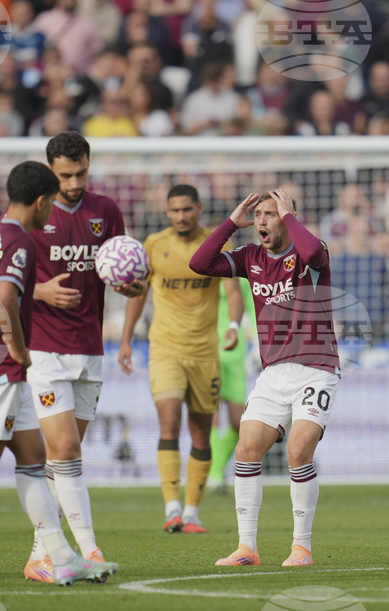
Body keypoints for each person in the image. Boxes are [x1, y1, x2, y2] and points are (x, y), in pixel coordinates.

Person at [0, 161, 117, 588]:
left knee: (35, 461)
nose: (52, 210)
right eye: (50, 201)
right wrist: (16, 347)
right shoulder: (20, 242)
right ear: (40, 200)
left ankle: (61, 558)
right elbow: (4, 298)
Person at [190, 190, 340, 568]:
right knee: (246, 450)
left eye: (269, 214)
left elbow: (312, 253)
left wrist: (290, 218)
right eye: (257, 214)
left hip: (316, 368)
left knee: (297, 452)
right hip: (273, 373)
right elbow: (200, 263)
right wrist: (229, 223)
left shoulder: (311, 253)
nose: (261, 222)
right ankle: (247, 548)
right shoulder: (249, 257)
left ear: (287, 217)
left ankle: (301, 548)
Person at [23, 133, 146, 583]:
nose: (74, 183)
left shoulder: (106, 211)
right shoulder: (34, 212)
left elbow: (128, 273)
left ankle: (41, 555)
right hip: (44, 349)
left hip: (90, 349)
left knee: (63, 462)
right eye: (65, 175)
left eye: (81, 173)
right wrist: (40, 290)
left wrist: (130, 287)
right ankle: (90, 551)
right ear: (51, 170)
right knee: (66, 449)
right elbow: (1, 278)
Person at [118, 184, 243, 533]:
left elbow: (233, 292)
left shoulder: (218, 245)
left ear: (198, 208)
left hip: (205, 352)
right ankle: (172, 508)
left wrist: (233, 325)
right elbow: (138, 294)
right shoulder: (154, 245)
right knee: (169, 421)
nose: (181, 216)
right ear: (167, 211)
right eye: (174, 210)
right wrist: (126, 340)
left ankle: (191, 512)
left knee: (201, 434)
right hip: (165, 348)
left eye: (187, 209)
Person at [208, 277, 256, 493]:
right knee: (211, 415)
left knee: (240, 423)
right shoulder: (203, 272)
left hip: (236, 354)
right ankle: (213, 475)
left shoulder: (242, 277)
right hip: (208, 351)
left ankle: (215, 469)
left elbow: (254, 310)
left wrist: (258, 343)